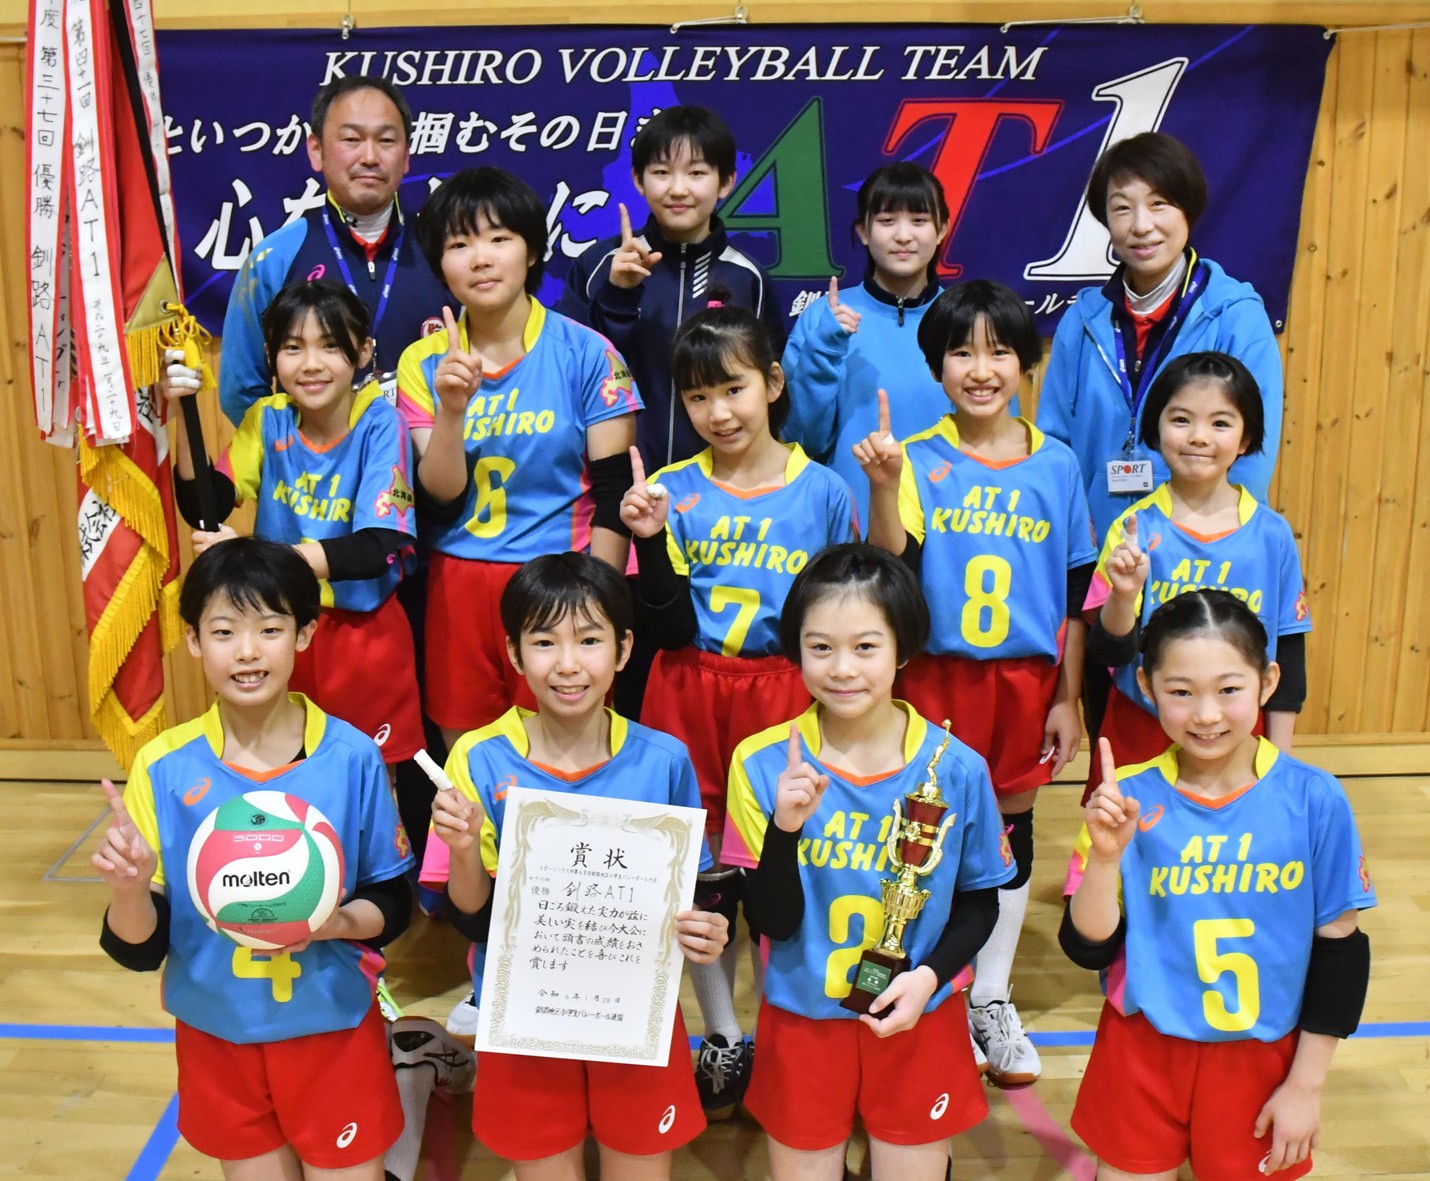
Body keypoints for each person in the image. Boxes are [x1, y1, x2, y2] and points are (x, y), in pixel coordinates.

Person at [91, 538, 414, 1179]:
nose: (247, 652)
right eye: (223, 632)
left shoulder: (351, 756)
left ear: (304, 634)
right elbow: (140, 949)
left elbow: (392, 903)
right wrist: (129, 890)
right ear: (192, 641)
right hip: (218, 1033)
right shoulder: (163, 765)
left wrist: (334, 923)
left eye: (269, 629)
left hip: (332, 1028)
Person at [620, 304, 859, 1116]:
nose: (717, 412)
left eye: (733, 389)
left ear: (773, 383)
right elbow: (664, 624)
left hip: (786, 692)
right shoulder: (670, 490)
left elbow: (843, 612)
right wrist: (649, 539)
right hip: (689, 685)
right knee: (701, 876)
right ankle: (723, 1034)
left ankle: (791, 1028)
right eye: (697, 397)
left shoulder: (824, 490)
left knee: (786, 866)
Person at [857, 280, 1095, 1086]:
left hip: (1024, 680)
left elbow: (1074, 593)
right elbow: (893, 566)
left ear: (1028, 363)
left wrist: (1067, 696)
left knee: (1010, 831)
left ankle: (990, 996)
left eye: (1000, 351)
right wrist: (884, 485)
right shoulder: (917, 457)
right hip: (935, 675)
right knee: (922, 832)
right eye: (961, 351)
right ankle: (927, 985)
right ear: (937, 366)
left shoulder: (1057, 463)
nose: (981, 368)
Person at [428, 552, 730, 1180]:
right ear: (514, 654)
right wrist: (463, 849)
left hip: (635, 1016)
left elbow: (695, 896)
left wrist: (707, 929)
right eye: (544, 642)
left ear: (623, 650)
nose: (567, 664)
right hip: (524, 1019)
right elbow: (473, 918)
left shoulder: (664, 760)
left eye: (589, 640)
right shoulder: (478, 760)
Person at [1062, 590, 1374, 1181]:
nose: (1206, 714)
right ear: (1147, 687)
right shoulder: (1126, 796)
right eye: (1181, 692)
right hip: (1140, 1047)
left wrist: (1306, 1086)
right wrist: (1104, 859)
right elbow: (1088, 947)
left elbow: (1342, 951)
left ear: (1268, 681)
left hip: (1262, 1056)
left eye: (1229, 689)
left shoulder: (1314, 798)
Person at [724, 543, 1011, 1181]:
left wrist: (929, 978)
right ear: (796, 649)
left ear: (902, 648)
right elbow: (771, 921)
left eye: (865, 646)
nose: (842, 668)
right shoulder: (762, 762)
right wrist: (785, 829)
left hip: (919, 1016)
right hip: (802, 1023)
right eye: (820, 647)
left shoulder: (957, 768)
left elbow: (979, 902)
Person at [396, 166, 640, 749]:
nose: (481, 258)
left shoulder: (588, 353)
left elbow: (615, 494)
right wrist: (452, 410)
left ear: (531, 251)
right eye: (459, 244)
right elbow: (440, 494)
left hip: (563, 579)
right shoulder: (422, 362)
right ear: (440, 265)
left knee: (567, 752)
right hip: (459, 582)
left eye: (499, 238)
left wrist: (597, 606)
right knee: (469, 755)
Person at [167, 278, 424, 773]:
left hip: (362, 634)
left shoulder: (380, 423)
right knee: (282, 770)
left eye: (330, 345)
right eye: (292, 347)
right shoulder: (268, 418)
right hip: (277, 630)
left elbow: (377, 546)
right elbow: (205, 508)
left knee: (370, 775)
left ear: (363, 351)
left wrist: (262, 560)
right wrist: (184, 413)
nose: (310, 364)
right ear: (271, 356)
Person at [1036, 131, 1284, 544]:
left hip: (1199, 550)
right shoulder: (1081, 320)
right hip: (1098, 551)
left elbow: (1254, 450)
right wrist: (1074, 532)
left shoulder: (1235, 316)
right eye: (1122, 208)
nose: (1141, 225)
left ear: (1187, 209)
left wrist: (1212, 540)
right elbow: (1054, 443)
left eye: (1158, 204)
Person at [1083, 352, 1310, 802]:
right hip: (1141, 730)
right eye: (1181, 419)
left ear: (1246, 438)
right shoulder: (1134, 528)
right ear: (1156, 427)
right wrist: (1123, 596)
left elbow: (1288, 650)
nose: (1199, 436)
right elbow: (1107, 652)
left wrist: (1281, 760)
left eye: (1220, 423)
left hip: (1236, 735)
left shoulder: (1272, 535)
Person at [557, 104, 785, 475]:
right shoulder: (598, 265)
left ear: (726, 182)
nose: (678, 190)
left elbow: (766, 395)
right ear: (638, 179)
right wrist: (617, 295)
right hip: (615, 483)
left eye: (697, 173)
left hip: (718, 487)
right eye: (661, 173)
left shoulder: (748, 278)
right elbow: (568, 374)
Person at [220, 75, 449, 425]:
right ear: (317, 151)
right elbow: (241, 392)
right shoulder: (274, 259)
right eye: (352, 139)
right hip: (311, 460)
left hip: (431, 458)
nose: (369, 157)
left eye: (386, 140)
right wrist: (295, 450)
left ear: (406, 156)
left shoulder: (445, 250)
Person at [783, 162, 953, 526]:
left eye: (919, 220)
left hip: (951, 523)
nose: (903, 236)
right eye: (887, 220)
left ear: (942, 229)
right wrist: (823, 350)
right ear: (863, 231)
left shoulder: (965, 319)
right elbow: (798, 441)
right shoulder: (824, 317)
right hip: (851, 528)